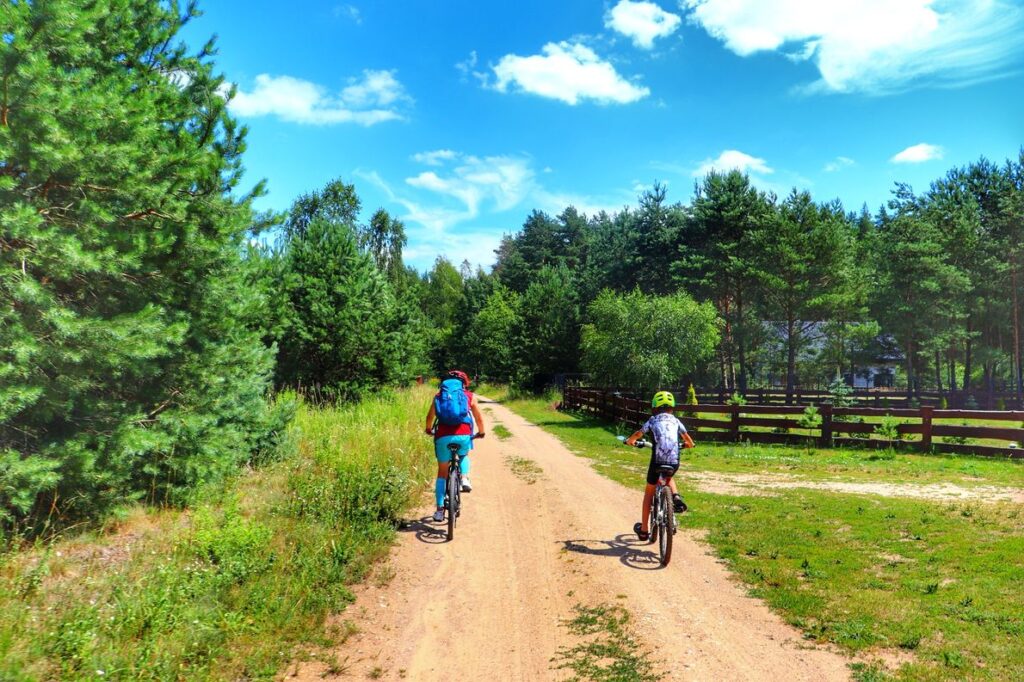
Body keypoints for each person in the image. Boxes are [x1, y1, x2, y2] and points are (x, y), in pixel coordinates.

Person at [624, 390, 694, 541]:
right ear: (672, 407)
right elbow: (690, 441)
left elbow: (638, 433)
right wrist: (686, 445)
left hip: (657, 460)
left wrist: (630, 441)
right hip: (674, 461)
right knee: (669, 475)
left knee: (649, 492)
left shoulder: (653, 420)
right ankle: (675, 497)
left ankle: (643, 530)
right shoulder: (676, 421)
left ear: (655, 406)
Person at [425, 370, 486, 523]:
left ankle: (439, 511)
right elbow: (478, 417)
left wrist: (428, 429)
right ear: (464, 383)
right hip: (464, 434)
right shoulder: (469, 396)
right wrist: (481, 432)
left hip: (442, 436)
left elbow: (430, 417)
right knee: (464, 455)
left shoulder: (439, 396)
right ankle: (464, 479)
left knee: (442, 473)